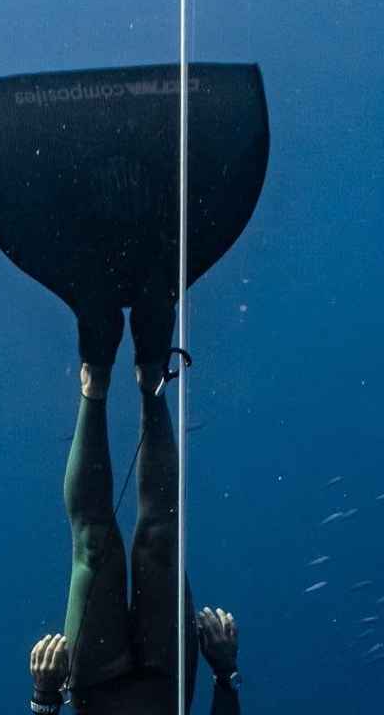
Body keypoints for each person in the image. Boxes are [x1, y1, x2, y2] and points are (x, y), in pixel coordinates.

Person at [26, 299, 243, 714]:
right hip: (166, 682)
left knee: (94, 545)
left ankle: (95, 374)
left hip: (96, 686)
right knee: (160, 540)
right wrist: (224, 672)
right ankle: (151, 376)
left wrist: (45, 699)